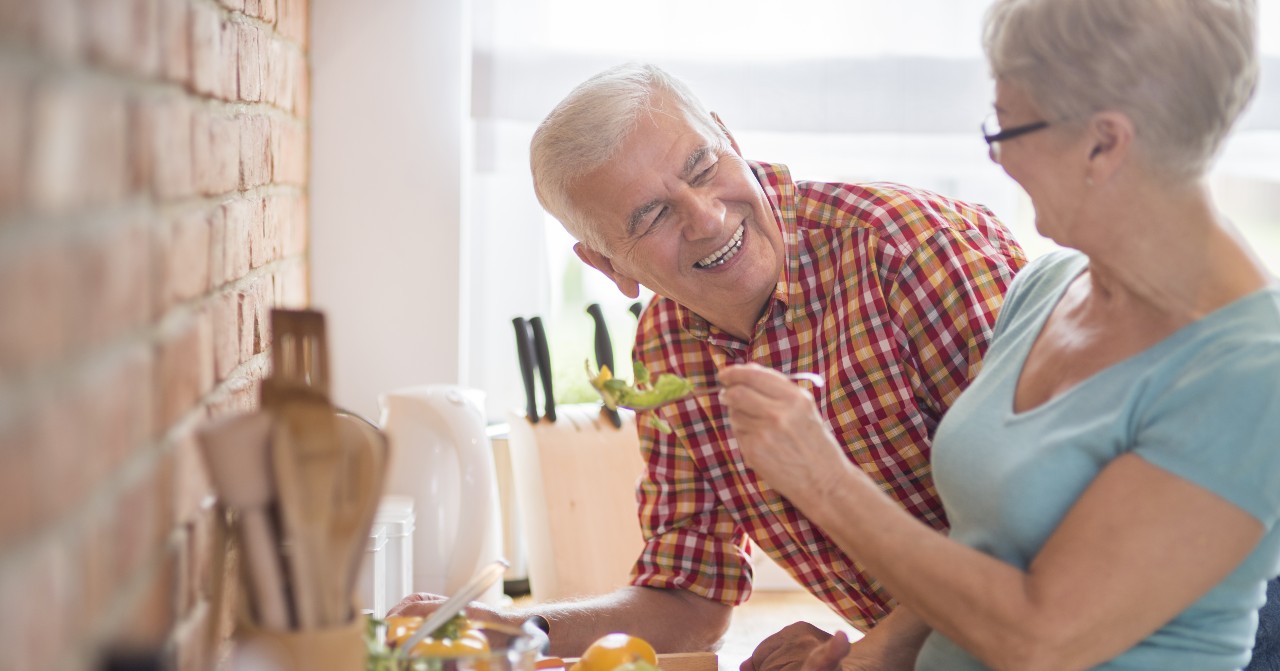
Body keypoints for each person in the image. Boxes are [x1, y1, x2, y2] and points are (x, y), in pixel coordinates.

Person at [392, 61, 1026, 666]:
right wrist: (517, 628)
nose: (707, 216)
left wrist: (870, 657)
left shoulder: (909, 250)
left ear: (727, 134)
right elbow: (692, 598)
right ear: (609, 267)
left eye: (701, 166)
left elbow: (1038, 518)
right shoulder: (664, 349)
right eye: (652, 215)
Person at [719, 0, 1280, 669]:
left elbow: (1042, 638)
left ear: (1105, 142)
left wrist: (825, 481)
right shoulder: (1045, 287)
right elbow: (987, 542)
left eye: (1007, 126)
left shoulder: (1249, 373)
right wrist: (880, 652)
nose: (1000, 158)